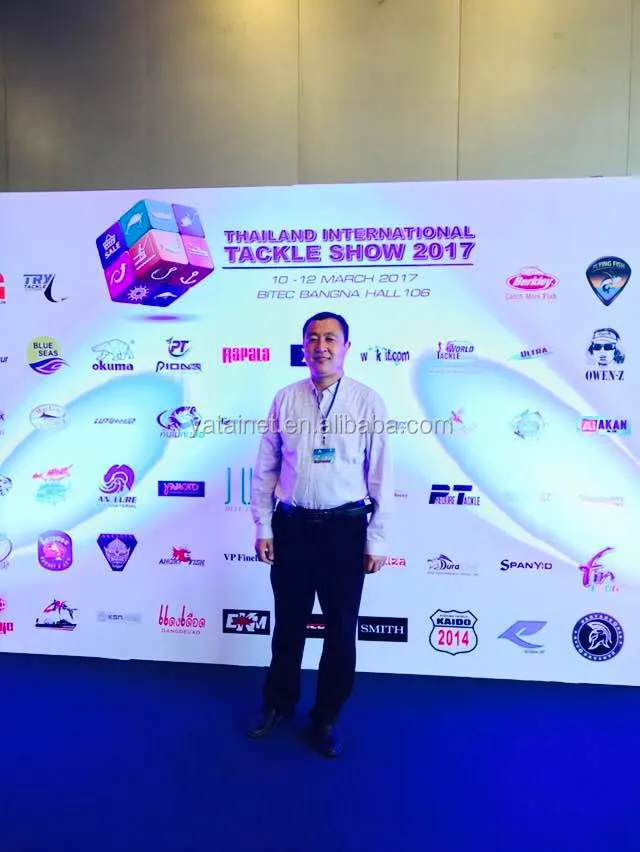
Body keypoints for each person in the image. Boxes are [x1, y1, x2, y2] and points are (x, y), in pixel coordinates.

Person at [248, 311, 393, 757]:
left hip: (344, 531)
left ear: (347, 346)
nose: (321, 346)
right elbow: (266, 468)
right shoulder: (285, 399)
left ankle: (326, 717)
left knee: (340, 630)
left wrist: (376, 537)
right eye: (313, 338)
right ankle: (278, 704)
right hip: (291, 527)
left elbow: (380, 475)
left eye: (331, 338)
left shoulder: (367, 401)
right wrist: (263, 525)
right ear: (303, 347)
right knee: (288, 626)